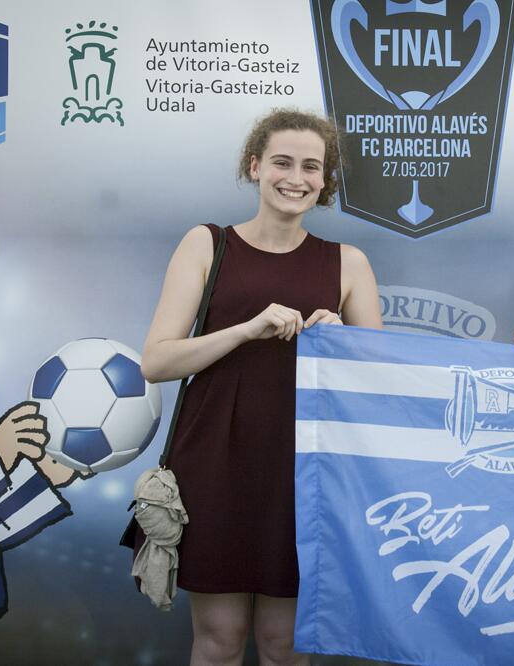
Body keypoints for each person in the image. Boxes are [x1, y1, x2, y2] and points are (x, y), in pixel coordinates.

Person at [141, 109, 382, 666]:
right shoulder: (207, 244)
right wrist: (247, 329)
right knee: (219, 639)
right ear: (255, 166)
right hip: (215, 461)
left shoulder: (349, 263)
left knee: (284, 645)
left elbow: (377, 385)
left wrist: (345, 341)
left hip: (305, 471)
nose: (295, 177)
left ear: (325, 182)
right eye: (281, 162)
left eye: (311, 167)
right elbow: (156, 362)